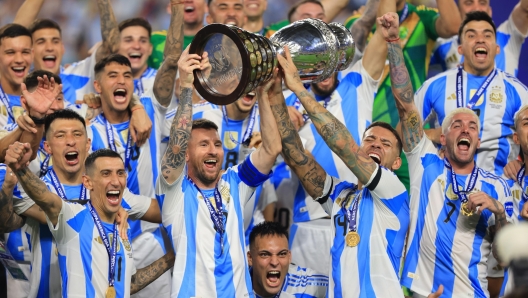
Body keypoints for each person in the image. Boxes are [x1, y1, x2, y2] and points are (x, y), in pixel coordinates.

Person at [382, 11, 513, 297]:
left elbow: (504, 258)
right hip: (422, 291)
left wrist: (499, 211)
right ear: (442, 137)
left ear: (478, 141)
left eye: (472, 126)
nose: (465, 129)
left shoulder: (498, 188)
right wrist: (393, 41)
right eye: (456, 124)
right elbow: (405, 106)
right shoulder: (425, 165)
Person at [269, 45, 411, 297]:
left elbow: (343, 145)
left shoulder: (393, 191)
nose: (376, 144)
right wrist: (274, 96)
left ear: (396, 163)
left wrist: (299, 89)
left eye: (385, 143)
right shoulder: (341, 196)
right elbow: (296, 156)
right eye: (370, 140)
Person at [156, 45, 280, 296]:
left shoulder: (234, 182)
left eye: (216, 144)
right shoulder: (174, 193)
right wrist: (187, 87)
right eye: (203, 145)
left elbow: (272, 149)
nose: (213, 150)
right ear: (187, 155)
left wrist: (263, 94)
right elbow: (178, 144)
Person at [6, 109, 164, 298]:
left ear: (88, 143)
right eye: (61, 135)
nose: (70, 141)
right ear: (47, 147)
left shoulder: (113, 195)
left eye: (77, 134)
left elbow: (163, 212)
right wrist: (17, 172)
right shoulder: (33, 189)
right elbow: (7, 221)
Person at [87, 9, 182, 294]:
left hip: (152, 237)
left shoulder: (151, 109)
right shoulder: (85, 129)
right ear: (97, 86)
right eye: (112, 75)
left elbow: (172, 60)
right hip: (105, 239)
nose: (121, 81)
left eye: (126, 76)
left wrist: (176, 10)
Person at [344, 0, 461, 191]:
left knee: (413, 211)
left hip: (409, 136)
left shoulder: (421, 17)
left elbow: (453, 26)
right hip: (365, 138)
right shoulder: (358, 22)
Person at [416, 11, 528, 178]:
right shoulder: (435, 86)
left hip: (499, 193)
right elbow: (403, 133)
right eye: (471, 35)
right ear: (460, 48)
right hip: (444, 192)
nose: (480, 39)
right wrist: (434, 134)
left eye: (487, 35)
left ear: (497, 48)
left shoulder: (518, 91)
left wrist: (524, 162)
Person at [431, 0, 528, 77]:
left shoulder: (508, 37)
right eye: (468, 3)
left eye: (482, 3)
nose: (476, 8)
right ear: (458, 11)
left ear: (490, 11)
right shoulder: (442, 45)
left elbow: (525, 8)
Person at [248, 221, 328, 298]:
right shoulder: (237, 284)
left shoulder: (310, 285)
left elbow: (338, 285)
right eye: (265, 254)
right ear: (250, 258)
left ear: (289, 257)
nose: (274, 262)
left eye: (282, 254)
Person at [148, 0, 208, 69]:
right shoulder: (150, 41)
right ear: (170, 7)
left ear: (206, 7)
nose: (189, 0)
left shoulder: (219, 39)